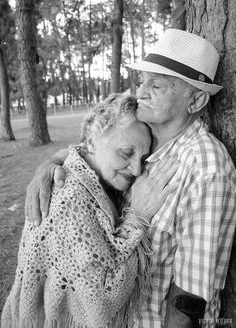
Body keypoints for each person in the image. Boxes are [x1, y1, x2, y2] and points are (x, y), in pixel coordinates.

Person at [22, 29, 236, 327]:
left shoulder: (206, 167)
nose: (141, 92)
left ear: (196, 100)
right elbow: (94, 148)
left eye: (157, 85)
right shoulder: (145, 137)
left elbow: (190, 296)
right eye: (142, 81)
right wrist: (51, 163)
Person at [1, 93, 178, 328]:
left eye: (143, 157)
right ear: (92, 142)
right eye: (126, 153)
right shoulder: (71, 196)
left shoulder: (89, 173)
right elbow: (100, 301)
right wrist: (138, 216)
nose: (136, 170)